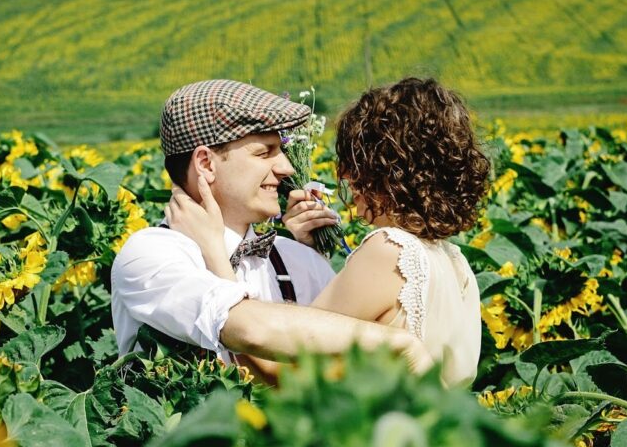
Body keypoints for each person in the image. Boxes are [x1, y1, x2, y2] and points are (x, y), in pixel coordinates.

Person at [169, 77, 487, 387]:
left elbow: (284, 370)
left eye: (355, 159)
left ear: (388, 169)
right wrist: (308, 252)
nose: (346, 175)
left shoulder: (389, 251)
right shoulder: (456, 264)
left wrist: (215, 256)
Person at [110, 79, 432, 377]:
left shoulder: (299, 259)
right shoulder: (151, 254)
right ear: (206, 164)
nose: (286, 168)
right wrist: (398, 344)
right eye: (264, 152)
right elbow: (244, 327)